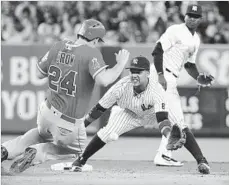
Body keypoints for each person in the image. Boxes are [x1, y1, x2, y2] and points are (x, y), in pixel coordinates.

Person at [1, 19, 130, 173]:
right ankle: (38, 153)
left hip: (46, 112)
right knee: (78, 151)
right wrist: (120, 64)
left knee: (41, 134)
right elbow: (104, 80)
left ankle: (6, 149)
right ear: (95, 39)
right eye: (97, 40)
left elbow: (38, 73)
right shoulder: (91, 52)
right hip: (67, 122)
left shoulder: (59, 45)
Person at [70, 56, 185, 172]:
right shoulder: (121, 86)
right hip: (129, 114)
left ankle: (198, 160)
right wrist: (81, 127)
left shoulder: (157, 89)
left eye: (138, 72)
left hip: (152, 115)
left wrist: (168, 134)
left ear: (148, 73)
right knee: (107, 133)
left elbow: (162, 119)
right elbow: (99, 109)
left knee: (177, 121)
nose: (134, 75)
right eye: (132, 71)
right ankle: (81, 160)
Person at [151, 4, 214, 174]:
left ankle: (163, 154)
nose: (191, 18)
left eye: (195, 16)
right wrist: (160, 75)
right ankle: (201, 160)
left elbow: (189, 65)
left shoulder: (196, 39)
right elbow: (157, 51)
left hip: (171, 76)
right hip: (162, 74)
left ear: (200, 19)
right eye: (189, 15)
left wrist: (199, 77)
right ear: (184, 16)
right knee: (179, 122)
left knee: (175, 122)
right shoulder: (175, 30)